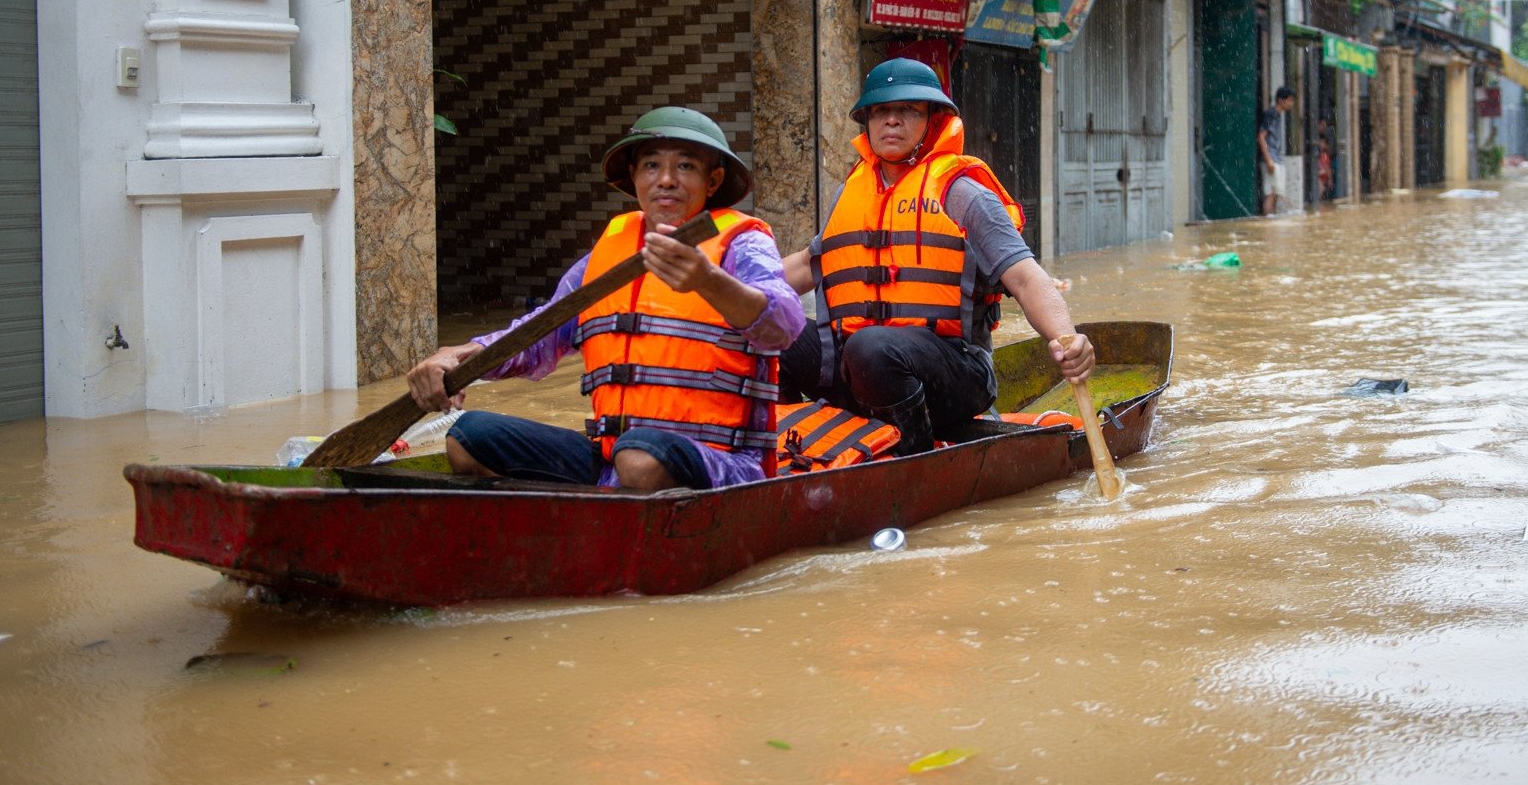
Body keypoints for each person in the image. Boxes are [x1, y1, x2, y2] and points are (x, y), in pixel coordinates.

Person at [406, 107, 802, 491]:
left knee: (640, 457)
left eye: (685, 166)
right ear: (634, 177)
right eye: (651, 166)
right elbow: (537, 336)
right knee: (466, 438)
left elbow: (784, 324)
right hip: (613, 461)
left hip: (725, 464)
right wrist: (462, 357)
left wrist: (708, 280)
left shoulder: (743, 244)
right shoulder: (603, 258)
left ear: (712, 181)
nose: (665, 180)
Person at [779, 59, 1094, 456]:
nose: (891, 121)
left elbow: (1028, 279)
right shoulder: (853, 192)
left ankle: (916, 451)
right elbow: (806, 265)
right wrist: (720, 294)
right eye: (880, 111)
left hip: (953, 376)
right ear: (868, 121)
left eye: (907, 110)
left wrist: (1067, 339)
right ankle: (780, 446)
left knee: (871, 347)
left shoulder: (965, 195)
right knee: (769, 324)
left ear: (933, 120)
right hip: (860, 372)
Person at [1259, 86, 1295, 215]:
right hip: (1272, 158)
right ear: (1281, 100)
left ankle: (1270, 223)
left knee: (1274, 195)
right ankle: (1269, 223)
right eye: (1290, 100)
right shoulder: (1271, 115)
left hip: (1275, 158)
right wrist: (1269, 160)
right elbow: (1261, 137)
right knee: (1271, 194)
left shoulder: (1277, 116)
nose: (1292, 103)